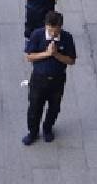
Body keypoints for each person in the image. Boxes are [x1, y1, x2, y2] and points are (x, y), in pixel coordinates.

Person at [22, 11, 77, 145]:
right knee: (34, 108)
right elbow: (29, 56)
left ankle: (47, 129)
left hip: (57, 81)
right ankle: (33, 132)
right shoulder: (37, 35)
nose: (53, 34)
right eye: (50, 31)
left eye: (56, 31)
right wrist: (47, 53)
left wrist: (57, 55)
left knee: (54, 108)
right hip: (39, 79)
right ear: (46, 26)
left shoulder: (67, 37)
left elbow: (71, 60)